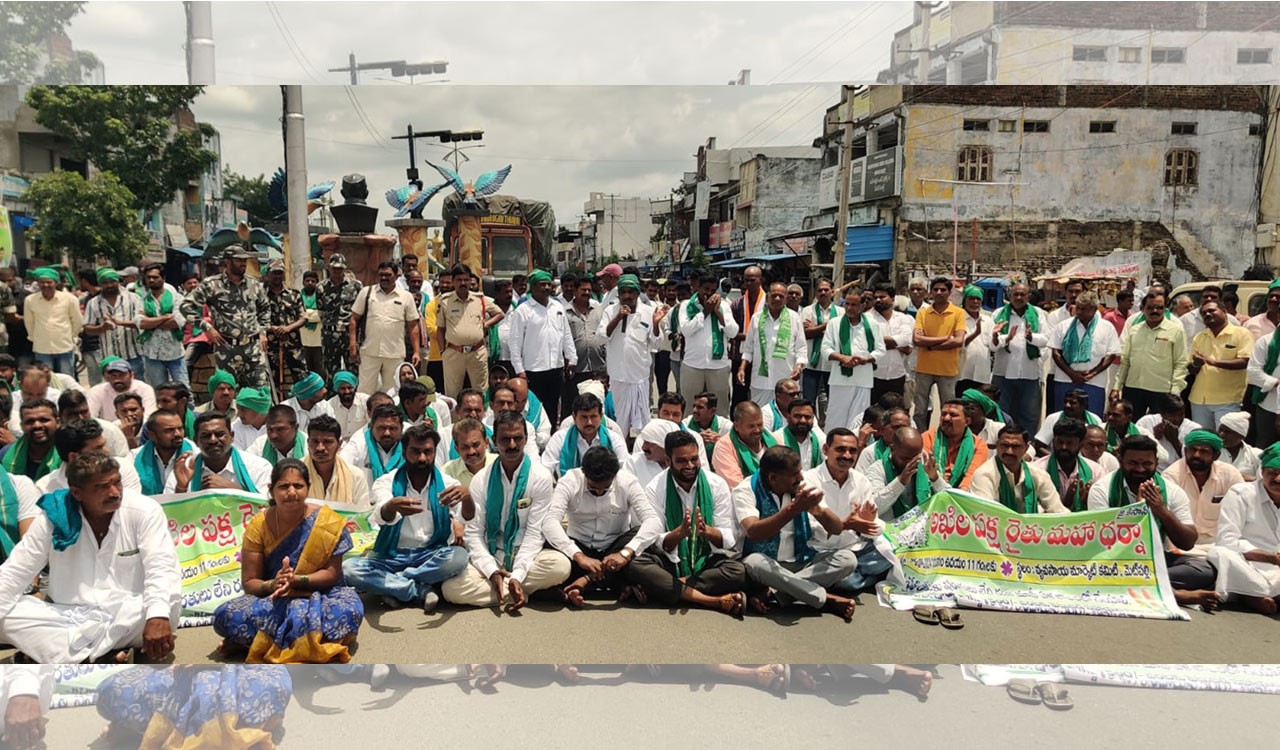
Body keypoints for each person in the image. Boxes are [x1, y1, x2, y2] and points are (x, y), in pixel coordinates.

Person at [0, 451, 181, 663]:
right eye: (102, 487)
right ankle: (103, 656)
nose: (114, 492)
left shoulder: (144, 510)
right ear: (77, 493)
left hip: (128, 613)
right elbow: (17, 570)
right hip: (68, 616)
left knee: (159, 608)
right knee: (10, 615)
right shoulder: (55, 515)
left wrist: (157, 616)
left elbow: (161, 567)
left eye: (117, 482)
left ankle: (57, 656)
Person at [213, 458, 365, 663]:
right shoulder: (259, 525)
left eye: (298, 486)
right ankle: (307, 642)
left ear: (308, 488)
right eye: (284, 486)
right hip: (272, 598)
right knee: (226, 615)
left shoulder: (329, 522)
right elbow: (250, 583)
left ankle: (256, 642)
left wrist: (299, 580)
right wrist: (273, 584)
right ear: (271, 490)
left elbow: (331, 574)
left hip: (321, 595)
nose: (291, 492)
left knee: (349, 611)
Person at [442, 410, 570, 610]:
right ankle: (529, 592)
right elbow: (474, 533)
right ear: (493, 440)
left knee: (561, 566)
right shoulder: (481, 480)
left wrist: (518, 574)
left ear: (526, 439)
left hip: (526, 555)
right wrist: (491, 570)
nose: (511, 445)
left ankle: (507, 589)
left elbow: (535, 533)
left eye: (517, 438)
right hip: (491, 553)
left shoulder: (540, 477)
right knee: (451, 588)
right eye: (505, 439)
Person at [343, 424, 474, 613]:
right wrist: (392, 506)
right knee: (349, 569)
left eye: (428, 452)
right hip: (391, 555)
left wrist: (467, 496)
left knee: (459, 558)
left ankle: (394, 583)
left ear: (435, 453)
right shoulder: (387, 482)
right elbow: (381, 516)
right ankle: (417, 589)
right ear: (404, 453)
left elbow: (468, 517)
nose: (422, 458)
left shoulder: (446, 483)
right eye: (415, 452)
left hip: (431, 554)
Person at [620, 429, 747, 616]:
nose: (690, 465)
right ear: (668, 461)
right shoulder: (655, 489)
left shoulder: (716, 484)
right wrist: (678, 534)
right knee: (637, 564)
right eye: (682, 461)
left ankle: (665, 587)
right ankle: (712, 600)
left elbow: (729, 537)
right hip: (669, 560)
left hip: (706, 558)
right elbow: (654, 539)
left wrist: (707, 532)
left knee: (737, 571)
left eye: (694, 459)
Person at [1086, 434, 1219, 609]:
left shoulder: (1172, 491)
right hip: (1113, 559)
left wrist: (1161, 510)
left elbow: (1187, 542)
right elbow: (1102, 542)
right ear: (1120, 460)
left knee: (1204, 569)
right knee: (1095, 571)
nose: (1140, 469)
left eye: (1147, 464)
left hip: (1155, 559)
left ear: (1156, 462)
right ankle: (1176, 594)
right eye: (1133, 463)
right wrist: (1139, 511)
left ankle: (1145, 585)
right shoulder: (1101, 490)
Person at [734, 446, 858, 620]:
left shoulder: (801, 487)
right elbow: (753, 532)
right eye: (794, 474)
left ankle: (773, 592)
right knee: (755, 562)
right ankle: (824, 599)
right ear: (773, 478)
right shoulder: (746, 490)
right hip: (766, 565)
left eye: (800, 472)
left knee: (847, 560)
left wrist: (819, 511)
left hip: (801, 560)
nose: (800, 477)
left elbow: (836, 528)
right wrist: (793, 509)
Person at [540, 445, 661, 607]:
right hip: (580, 551)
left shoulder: (628, 482)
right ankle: (615, 583)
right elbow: (550, 522)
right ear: (584, 472)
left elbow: (653, 521)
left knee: (642, 537)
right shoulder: (569, 481)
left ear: (615, 475)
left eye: (605, 489)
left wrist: (626, 553)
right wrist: (578, 555)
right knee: (549, 543)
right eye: (592, 488)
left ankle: (585, 581)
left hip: (616, 552)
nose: (598, 493)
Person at [95, 665, 293, 749]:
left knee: (271, 689)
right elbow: (253, 584)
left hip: (244, 676)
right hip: (178, 680)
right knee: (112, 690)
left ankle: (146, 731)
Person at [179, 245, 273, 390]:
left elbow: (265, 308)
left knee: (260, 393)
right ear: (227, 262)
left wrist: (262, 331)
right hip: (226, 348)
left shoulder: (254, 284)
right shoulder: (212, 285)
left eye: (245, 260)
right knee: (226, 392)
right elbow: (186, 306)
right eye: (238, 260)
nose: (243, 263)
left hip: (253, 348)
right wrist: (207, 328)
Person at [1208, 443, 1280, 614]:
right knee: (1219, 553)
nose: (1278, 480)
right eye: (1273, 473)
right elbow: (1227, 540)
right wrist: (1271, 558)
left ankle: (1259, 594)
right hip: (1247, 565)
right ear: (1262, 472)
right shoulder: (1241, 493)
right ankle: (1252, 595)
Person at [598, 274, 667, 440]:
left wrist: (656, 324)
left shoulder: (649, 312)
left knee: (643, 424)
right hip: (618, 376)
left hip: (640, 377)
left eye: (631, 292)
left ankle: (642, 455)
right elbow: (601, 338)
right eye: (623, 292)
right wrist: (618, 318)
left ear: (637, 293)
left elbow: (656, 344)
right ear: (619, 294)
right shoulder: (610, 311)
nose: (627, 296)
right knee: (619, 424)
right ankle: (620, 453)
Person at [1164, 429, 1243, 552]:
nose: (1196, 455)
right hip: (1181, 544)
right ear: (1185, 451)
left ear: (1216, 455)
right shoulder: (1171, 476)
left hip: (1219, 544)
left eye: (1203, 451)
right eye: (1193, 449)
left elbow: (1242, 512)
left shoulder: (1230, 475)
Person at [350, 260, 422, 395]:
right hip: (369, 351)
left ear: (397, 276)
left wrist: (417, 351)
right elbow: (354, 319)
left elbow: (413, 326)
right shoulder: (366, 293)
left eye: (388, 275)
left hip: (394, 353)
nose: (384, 278)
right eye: (381, 274)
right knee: (364, 391)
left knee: (392, 391)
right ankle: (363, 416)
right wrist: (353, 345)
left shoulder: (406, 297)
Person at [1112, 292, 1188, 419]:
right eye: (1150, 307)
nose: (1155, 311)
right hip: (1133, 388)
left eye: (1159, 307)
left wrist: (1175, 391)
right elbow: (1126, 361)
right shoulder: (1134, 330)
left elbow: (1180, 363)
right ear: (1142, 308)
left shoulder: (1176, 331)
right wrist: (1116, 387)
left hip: (1161, 390)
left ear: (1165, 309)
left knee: (1157, 430)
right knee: (1130, 427)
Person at [821, 287, 885, 431]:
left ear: (863, 305)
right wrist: (843, 358)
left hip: (863, 379)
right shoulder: (834, 323)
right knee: (835, 418)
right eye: (847, 304)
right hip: (840, 380)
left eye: (854, 304)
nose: (849, 308)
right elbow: (825, 349)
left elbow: (880, 350)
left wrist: (865, 359)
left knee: (858, 419)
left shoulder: (872, 324)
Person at [1048, 290, 1119, 416]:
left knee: (1092, 419)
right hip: (1065, 380)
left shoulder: (1106, 327)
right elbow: (1056, 353)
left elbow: (1111, 354)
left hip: (1094, 382)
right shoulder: (1063, 326)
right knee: (1063, 419)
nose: (1079, 312)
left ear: (1094, 309)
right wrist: (1072, 374)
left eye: (1084, 309)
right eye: (1078, 308)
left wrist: (1092, 373)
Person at [989, 282, 1048, 432]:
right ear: (1010, 296)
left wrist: (1031, 337)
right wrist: (1005, 339)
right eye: (1015, 294)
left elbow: (1047, 339)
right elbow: (991, 344)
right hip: (1003, 372)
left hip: (1029, 372)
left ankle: (1027, 446)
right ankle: (1001, 442)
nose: (1019, 297)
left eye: (1023, 294)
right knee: (1002, 411)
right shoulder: (999, 314)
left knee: (1029, 414)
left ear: (1029, 297)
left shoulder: (1038, 314)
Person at [439, 264, 503, 399]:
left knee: (481, 391)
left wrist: (486, 324)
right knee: (452, 392)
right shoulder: (445, 301)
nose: (463, 283)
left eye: (466, 280)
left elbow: (499, 314)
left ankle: (481, 418)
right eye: (459, 280)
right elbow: (440, 328)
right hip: (454, 353)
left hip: (477, 352)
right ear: (453, 281)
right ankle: (454, 420)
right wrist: (442, 351)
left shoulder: (480, 299)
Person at [969, 425, 1067, 513]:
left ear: (1026, 447)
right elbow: (983, 513)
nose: (1009, 452)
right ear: (997, 444)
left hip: (1029, 529)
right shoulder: (984, 474)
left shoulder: (1039, 475)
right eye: (1004, 445)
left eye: (1015, 446)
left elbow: (1058, 511)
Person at [167, 412, 273, 494]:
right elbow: (170, 514)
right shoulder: (183, 471)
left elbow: (268, 507)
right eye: (206, 435)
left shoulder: (258, 467)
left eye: (220, 434)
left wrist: (233, 489)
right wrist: (182, 487)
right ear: (196, 440)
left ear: (232, 436)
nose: (213, 440)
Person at [677, 272, 738, 411]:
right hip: (692, 364)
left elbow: (733, 332)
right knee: (689, 409)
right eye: (706, 289)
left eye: (713, 290)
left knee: (720, 408)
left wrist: (717, 312)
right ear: (698, 287)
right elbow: (686, 331)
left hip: (718, 366)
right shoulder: (686, 305)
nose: (709, 293)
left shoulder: (724, 306)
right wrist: (705, 312)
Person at [738, 282, 806, 407]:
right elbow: (748, 349)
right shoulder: (756, 318)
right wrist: (742, 368)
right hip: (760, 381)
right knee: (759, 416)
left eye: (781, 296)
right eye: (774, 295)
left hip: (786, 379)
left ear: (785, 298)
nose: (777, 299)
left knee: (786, 415)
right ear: (767, 296)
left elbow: (801, 348)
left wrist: (799, 367)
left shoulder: (794, 318)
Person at [1188, 300, 1253, 430]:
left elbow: (1245, 362)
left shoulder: (1242, 334)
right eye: (1204, 313)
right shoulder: (1200, 337)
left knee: (1225, 441)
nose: (1207, 314)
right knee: (1203, 440)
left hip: (1228, 400)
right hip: (1199, 400)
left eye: (1211, 310)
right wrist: (1196, 364)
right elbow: (1191, 369)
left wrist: (1213, 362)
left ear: (1224, 312)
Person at [911, 277, 966, 431]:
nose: (939, 292)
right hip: (923, 369)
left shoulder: (958, 313)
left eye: (943, 290)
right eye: (935, 289)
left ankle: (945, 438)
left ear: (950, 292)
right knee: (920, 410)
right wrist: (944, 339)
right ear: (931, 292)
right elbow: (916, 339)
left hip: (947, 370)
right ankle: (921, 438)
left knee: (948, 410)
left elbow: (958, 341)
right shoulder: (923, 313)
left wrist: (930, 345)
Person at [36, 418, 142, 495]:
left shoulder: (123, 468)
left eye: (104, 444)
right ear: (74, 457)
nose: (107, 451)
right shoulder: (45, 488)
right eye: (98, 448)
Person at [540, 393, 628, 478]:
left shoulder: (614, 439)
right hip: (569, 490)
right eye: (584, 417)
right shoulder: (560, 439)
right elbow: (545, 469)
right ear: (574, 417)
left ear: (601, 416)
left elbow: (625, 472)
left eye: (593, 416)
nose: (589, 422)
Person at [135, 264, 189, 386]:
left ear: (163, 278)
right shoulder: (142, 300)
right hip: (152, 354)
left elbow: (178, 322)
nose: (151, 280)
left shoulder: (177, 298)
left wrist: (151, 320)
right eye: (148, 277)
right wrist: (165, 317)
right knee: (160, 392)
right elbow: (140, 323)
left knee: (184, 391)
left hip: (175, 353)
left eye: (155, 277)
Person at [83, 267, 144, 378]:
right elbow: (87, 329)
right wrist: (102, 327)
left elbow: (141, 323)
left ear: (118, 281)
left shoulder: (134, 298)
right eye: (105, 282)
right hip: (109, 358)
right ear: (100, 284)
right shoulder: (93, 303)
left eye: (112, 281)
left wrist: (120, 323)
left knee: (136, 388)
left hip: (133, 355)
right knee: (113, 390)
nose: (109, 285)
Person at [1031, 416, 1101, 512]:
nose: (1064, 447)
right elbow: (1033, 509)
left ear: (1081, 444)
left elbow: (1102, 509)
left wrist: (1088, 502)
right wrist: (1063, 504)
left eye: (1069, 443)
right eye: (1060, 442)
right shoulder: (1037, 470)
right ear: (1053, 441)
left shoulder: (1096, 471)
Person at [22, 267, 83, 377]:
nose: (46, 285)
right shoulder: (30, 300)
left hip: (65, 346)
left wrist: (72, 337)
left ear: (56, 283)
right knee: (45, 379)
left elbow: (77, 321)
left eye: (49, 282)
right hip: (42, 348)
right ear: (38, 283)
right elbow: (29, 322)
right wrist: (33, 337)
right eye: (42, 282)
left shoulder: (69, 299)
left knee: (67, 377)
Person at [262, 260, 309, 392]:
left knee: (302, 377)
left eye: (280, 273)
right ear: (268, 274)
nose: (277, 276)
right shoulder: (261, 295)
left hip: (293, 344)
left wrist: (288, 328)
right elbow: (255, 317)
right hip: (270, 345)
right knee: (270, 380)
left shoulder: (294, 294)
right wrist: (272, 328)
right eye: (274, 273)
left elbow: (304, 317)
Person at [921, 400, 989, 491]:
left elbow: (970, 478)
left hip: (962, 495)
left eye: (953, 415)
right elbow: (925, 475)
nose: (946, 418)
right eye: (943, 414)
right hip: (930, 491)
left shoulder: (979, 445)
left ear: (967, 421)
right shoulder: (927, 437)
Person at [316, 253, 363, 382]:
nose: (337, 271)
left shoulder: (356, 286)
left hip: (350, 334)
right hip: (329, 335)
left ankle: (353, 398)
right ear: (328, 267)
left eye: (340, 268)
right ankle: (332, 399)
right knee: (331, 371)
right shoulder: (321, 287)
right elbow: (321, 312)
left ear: (345, 268)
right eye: (334, 268)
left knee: (354, 370)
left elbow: (361, 311)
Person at [303, 415, 369, 505]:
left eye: (327, 442)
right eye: (315, 441)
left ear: (339, 444)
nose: (320, 448)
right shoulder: (294, 473)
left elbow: (362, 514)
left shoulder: (355, 476)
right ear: (308, 442)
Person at [711, 401, 778, 489]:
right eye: (751, 426)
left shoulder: (773, 439)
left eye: (760, 425)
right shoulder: (724, 447)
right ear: (736, 426)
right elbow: (738, 486)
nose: (757, 430)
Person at [563, 275, 605, 411]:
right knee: (573, 406)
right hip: (575, 370)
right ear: (574, 291)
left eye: (589, 290)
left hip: (596, 368)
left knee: (596, 406)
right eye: (583, 290)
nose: (587, 292)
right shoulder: (564, 313)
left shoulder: (598, 310)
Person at [340, 402, 406, 487]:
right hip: (365, 499)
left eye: (392, 428)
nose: (387, 433)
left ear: (402, 427)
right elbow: (341, 469)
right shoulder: (359, 443)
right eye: (381, 428)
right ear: (371, 426)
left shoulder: (409, 446)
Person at [870, 283, 915, 404]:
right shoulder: (867, 319)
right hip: (874, 375)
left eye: (882, 297)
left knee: (895, 412)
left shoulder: (904, 318)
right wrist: (897, 345)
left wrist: (879, 343)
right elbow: (869, 341)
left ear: (893, 299)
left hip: (897, 375)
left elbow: (906, 340)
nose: (878, 300)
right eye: (876, 297)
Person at [133, 409, 193, 496]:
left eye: (180, 428)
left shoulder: (195, 455)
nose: (177, 434)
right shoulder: (135, 458)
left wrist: (181, 487)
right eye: (169, 430)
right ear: (152, 435)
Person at [1136, 394, 1200, 472]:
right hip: (1151, 470)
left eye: (1181, 414)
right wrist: (1153, 439)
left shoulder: (1194, 428)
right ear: (1162, 414)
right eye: (1172, 415)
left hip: (1180, 472)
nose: (1177, 419)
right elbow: (1135, 450)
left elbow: (1194, 460)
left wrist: (1175, 442)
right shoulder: (1147, 422)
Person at [800, 279, 838, 410]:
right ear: (815, 293)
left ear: (832, 292)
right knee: (808, 402)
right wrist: (827, 326)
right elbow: (805, 334)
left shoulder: (841, 312)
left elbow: (838, 338)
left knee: (833, 402)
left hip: (832, 365)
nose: (823, 292)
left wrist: (815, 328)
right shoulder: (806, 311)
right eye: (820, 290)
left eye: (826, 290)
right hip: (811, 364)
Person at [1, 400, 59, 482]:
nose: (37, 425)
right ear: (22, 426)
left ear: (58, 422)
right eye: (30, 421)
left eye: (43, 420)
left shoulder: (68, 454)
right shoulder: (5, 454)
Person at [1033, 387, 1104, 454]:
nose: (1067, 405)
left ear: (1083, 406)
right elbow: (1039, 447)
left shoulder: (1096, 420)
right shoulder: (1053, 418)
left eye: (1072, 403)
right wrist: (1057, 460)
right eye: (1065, 401)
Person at [87, 356, 156, 422]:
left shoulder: (144, 389)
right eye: (113, 376)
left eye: (121, 375)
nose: (117, 380)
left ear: (131, 375)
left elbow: (149, 416)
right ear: (107, 377)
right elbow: (90, 417)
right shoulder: (96, 391)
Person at [956, 284, 993, 395]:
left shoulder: (988, 320)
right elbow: (958, 343)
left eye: (978, 299)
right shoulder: (958, 318)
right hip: (962, 372)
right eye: (971, 298)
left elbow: (992, 345)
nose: (975, 302)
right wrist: (975, 334)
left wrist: (998, 337)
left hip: (982, 372)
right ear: (965, 300)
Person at [772, 397, 825, 472]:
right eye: (798, 416)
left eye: (807, 417)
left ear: (813, 419)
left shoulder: (819, 438)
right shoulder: (777, 438)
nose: (803, 420)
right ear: (788, 417)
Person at [441, 418, 495, 490]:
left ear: (486, 442)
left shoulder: (500, 466)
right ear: (457, 449)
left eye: (476, 445)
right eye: (465, 447)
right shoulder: (447, 472)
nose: (471, 452)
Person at [508, 376, 551, 452]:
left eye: (524, 401)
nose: (520, 405)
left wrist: (531, 435)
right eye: (516, 401)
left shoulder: (534, 406)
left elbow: (546, 436)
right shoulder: (500, 405)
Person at [1218, 411, 1261, 481]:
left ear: (1241, 436)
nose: (1221, 435)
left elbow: (1263, 481)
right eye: (1220, 430)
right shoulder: (1212, 451)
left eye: (1228, 432)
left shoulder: (1255, 455)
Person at [327, 371, 369, 441]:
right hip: (339, 444)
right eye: (343, 388)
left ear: (355, 387)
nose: (347, 391)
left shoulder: (365, 401)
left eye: (350, 388)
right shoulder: (330, 405)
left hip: (362, 442)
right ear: (337, 389)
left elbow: (371, 425)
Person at [232, 386, 271, 451]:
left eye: (243, 410)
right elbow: (238, 456)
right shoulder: (234, 427)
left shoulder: (276, 427)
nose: (238, 414)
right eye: (238, 409)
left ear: (258, 410)